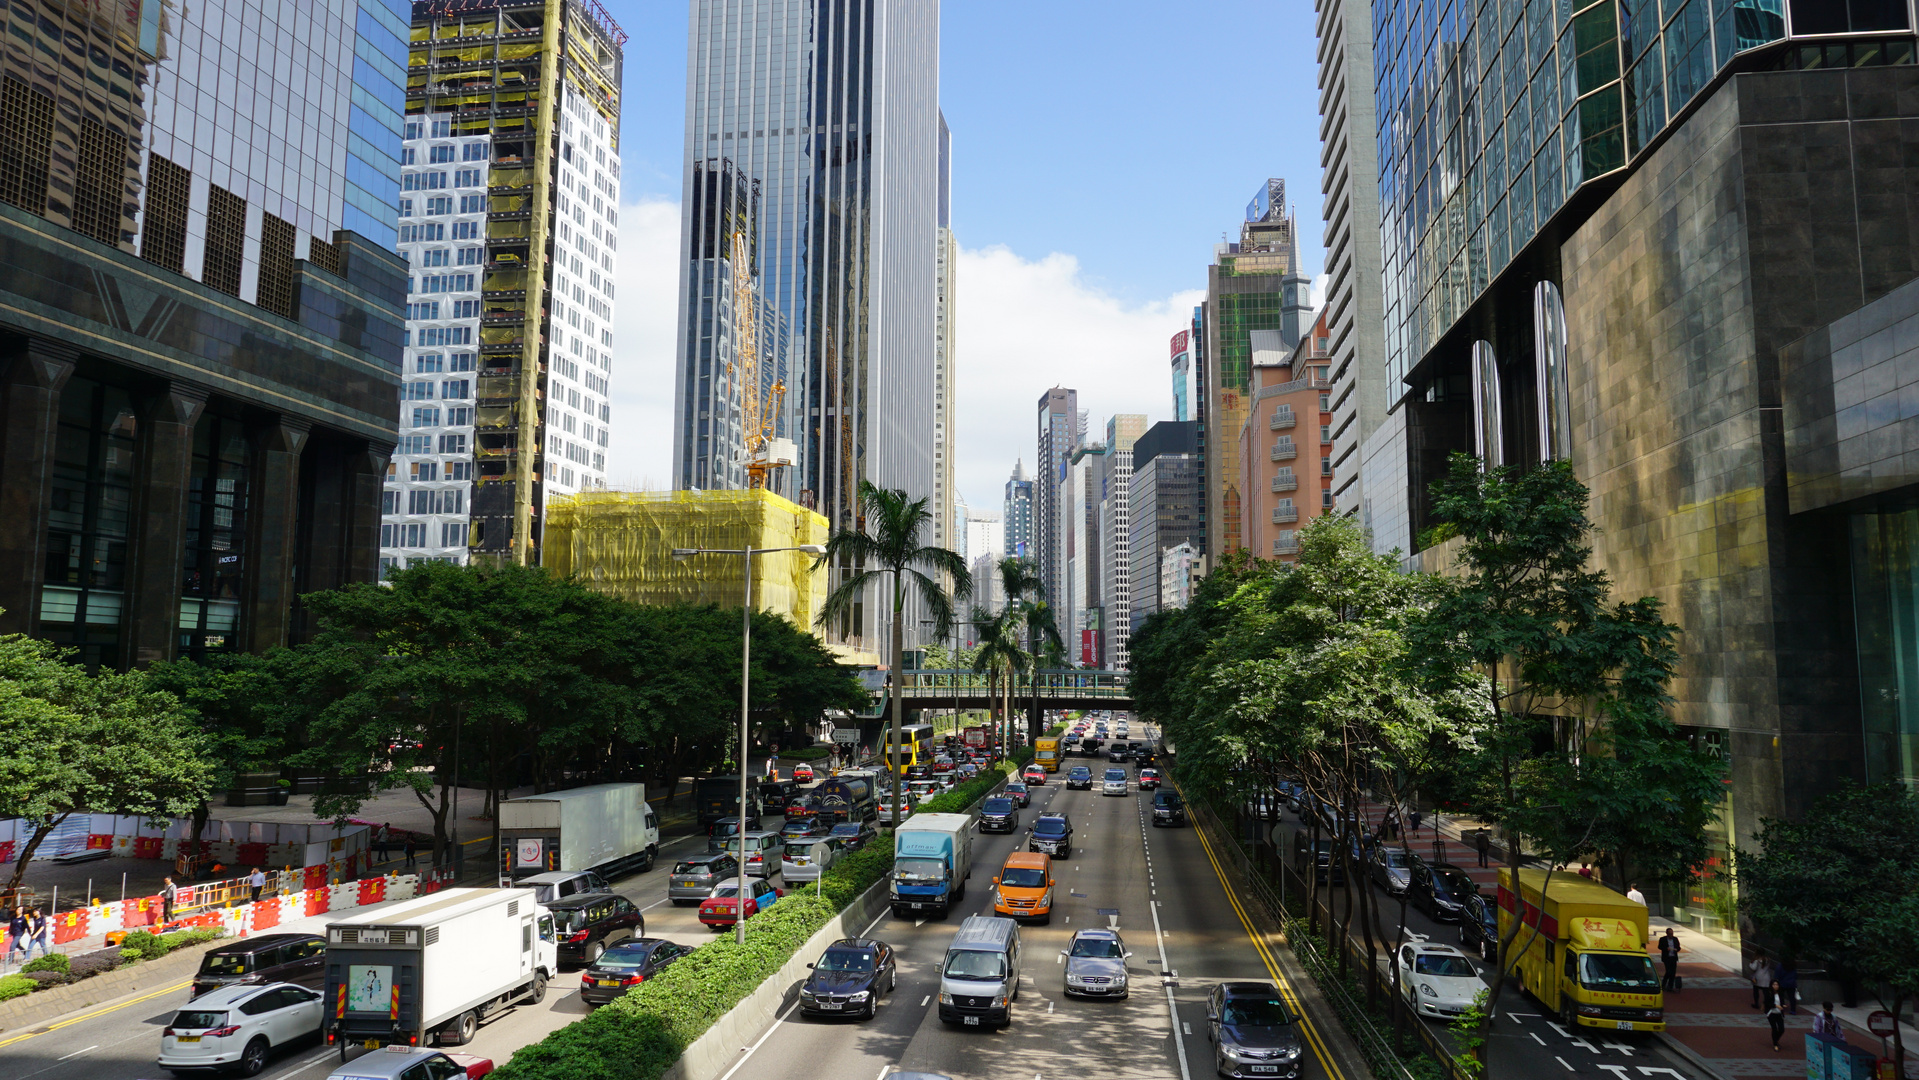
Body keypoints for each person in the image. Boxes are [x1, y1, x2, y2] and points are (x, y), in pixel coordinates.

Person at [1766, 987, 1786, 1051]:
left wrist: (1783, 1005)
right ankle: (1775, 1045)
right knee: (1774, 1028)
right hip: (1771, 1014)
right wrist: (1776, 1006)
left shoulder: (1780, 993)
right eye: (1774, 984)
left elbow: (1782, 1002)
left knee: (1781, 1029)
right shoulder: (1769, 993)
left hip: (1779, 1014)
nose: (1775, 986)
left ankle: (1775, 1040)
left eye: (1777, 984)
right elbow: (1768, 1004)